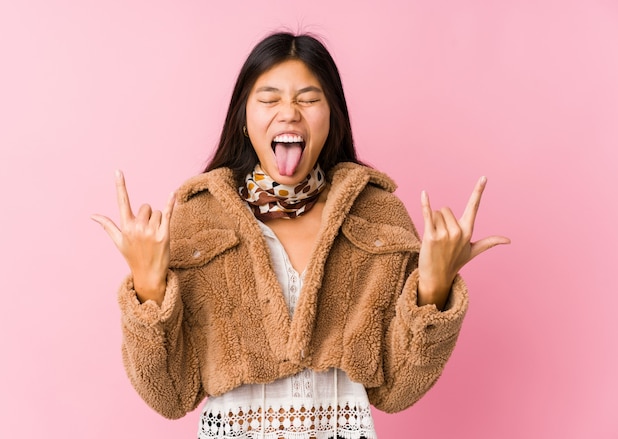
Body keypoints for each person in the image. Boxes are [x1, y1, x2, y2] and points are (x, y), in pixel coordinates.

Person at [91, 31, 509, 439]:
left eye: (308, 99)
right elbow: (169, 395)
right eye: (269, 99)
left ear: (332, 117)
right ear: (243, 120)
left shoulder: (378, 214)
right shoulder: (199, 219)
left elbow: (397, 391)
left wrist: (434, 289)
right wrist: (147, 288)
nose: (289, 112)